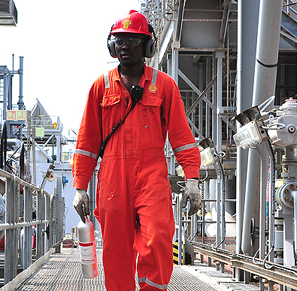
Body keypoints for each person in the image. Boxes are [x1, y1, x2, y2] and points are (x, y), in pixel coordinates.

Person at [71, 10, 202, 291]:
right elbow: (87, 142)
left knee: (158, 240)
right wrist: (80, 186)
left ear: (148, 46)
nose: (124, 46)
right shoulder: (101, 87)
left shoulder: (164, 86)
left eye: (132, 40)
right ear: (111, 45)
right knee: (116, 252)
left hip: (151, 174)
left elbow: (182, 137)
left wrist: (192, 178)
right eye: (119, 41)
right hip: (112, 178)